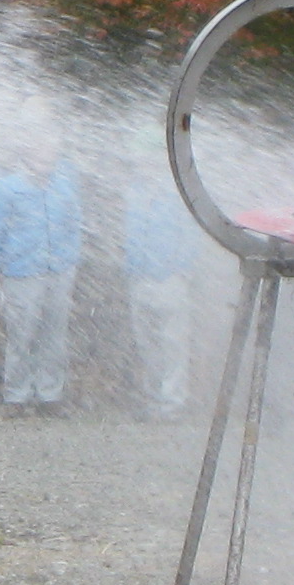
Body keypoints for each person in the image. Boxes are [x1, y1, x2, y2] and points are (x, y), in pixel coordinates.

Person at [0, 135, 84, 413]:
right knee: (21, 335)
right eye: (40, 154)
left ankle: (49, 395)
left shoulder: (63, 188)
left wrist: (70, 261)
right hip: (22, 272)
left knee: (54, 335)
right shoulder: (7, 189)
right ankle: (16, 395)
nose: (46, 160)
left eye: (50, 153)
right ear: (26, 154)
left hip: (58, 272)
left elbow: (74, 227)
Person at [122, 135, 199, 418]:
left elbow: (190, 235)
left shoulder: (178, 192)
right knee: (147, 342)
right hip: (139, 277)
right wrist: (131, 268)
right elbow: (129, 233)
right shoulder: (133, 191)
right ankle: (153, 398)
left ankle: (173, 401)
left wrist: (180, 270)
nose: (142, 164)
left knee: (173, 342)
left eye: (146, 157)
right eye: (138, 158)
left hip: (171, 278)